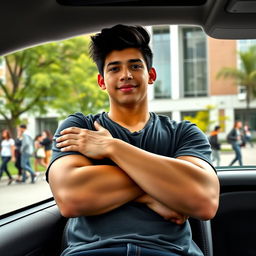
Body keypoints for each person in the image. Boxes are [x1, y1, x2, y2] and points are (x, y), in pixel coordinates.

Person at [47, 24, 220, 256]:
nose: (126, 75)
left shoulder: (184, 132)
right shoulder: (79, 127)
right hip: (93, 251)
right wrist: (156, 191)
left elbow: (203, 200)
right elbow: (71, 198)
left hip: (169, 252)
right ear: (102, 81)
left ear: (151, 75)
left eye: (135, 66)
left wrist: (112, 147)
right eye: (114, 68)